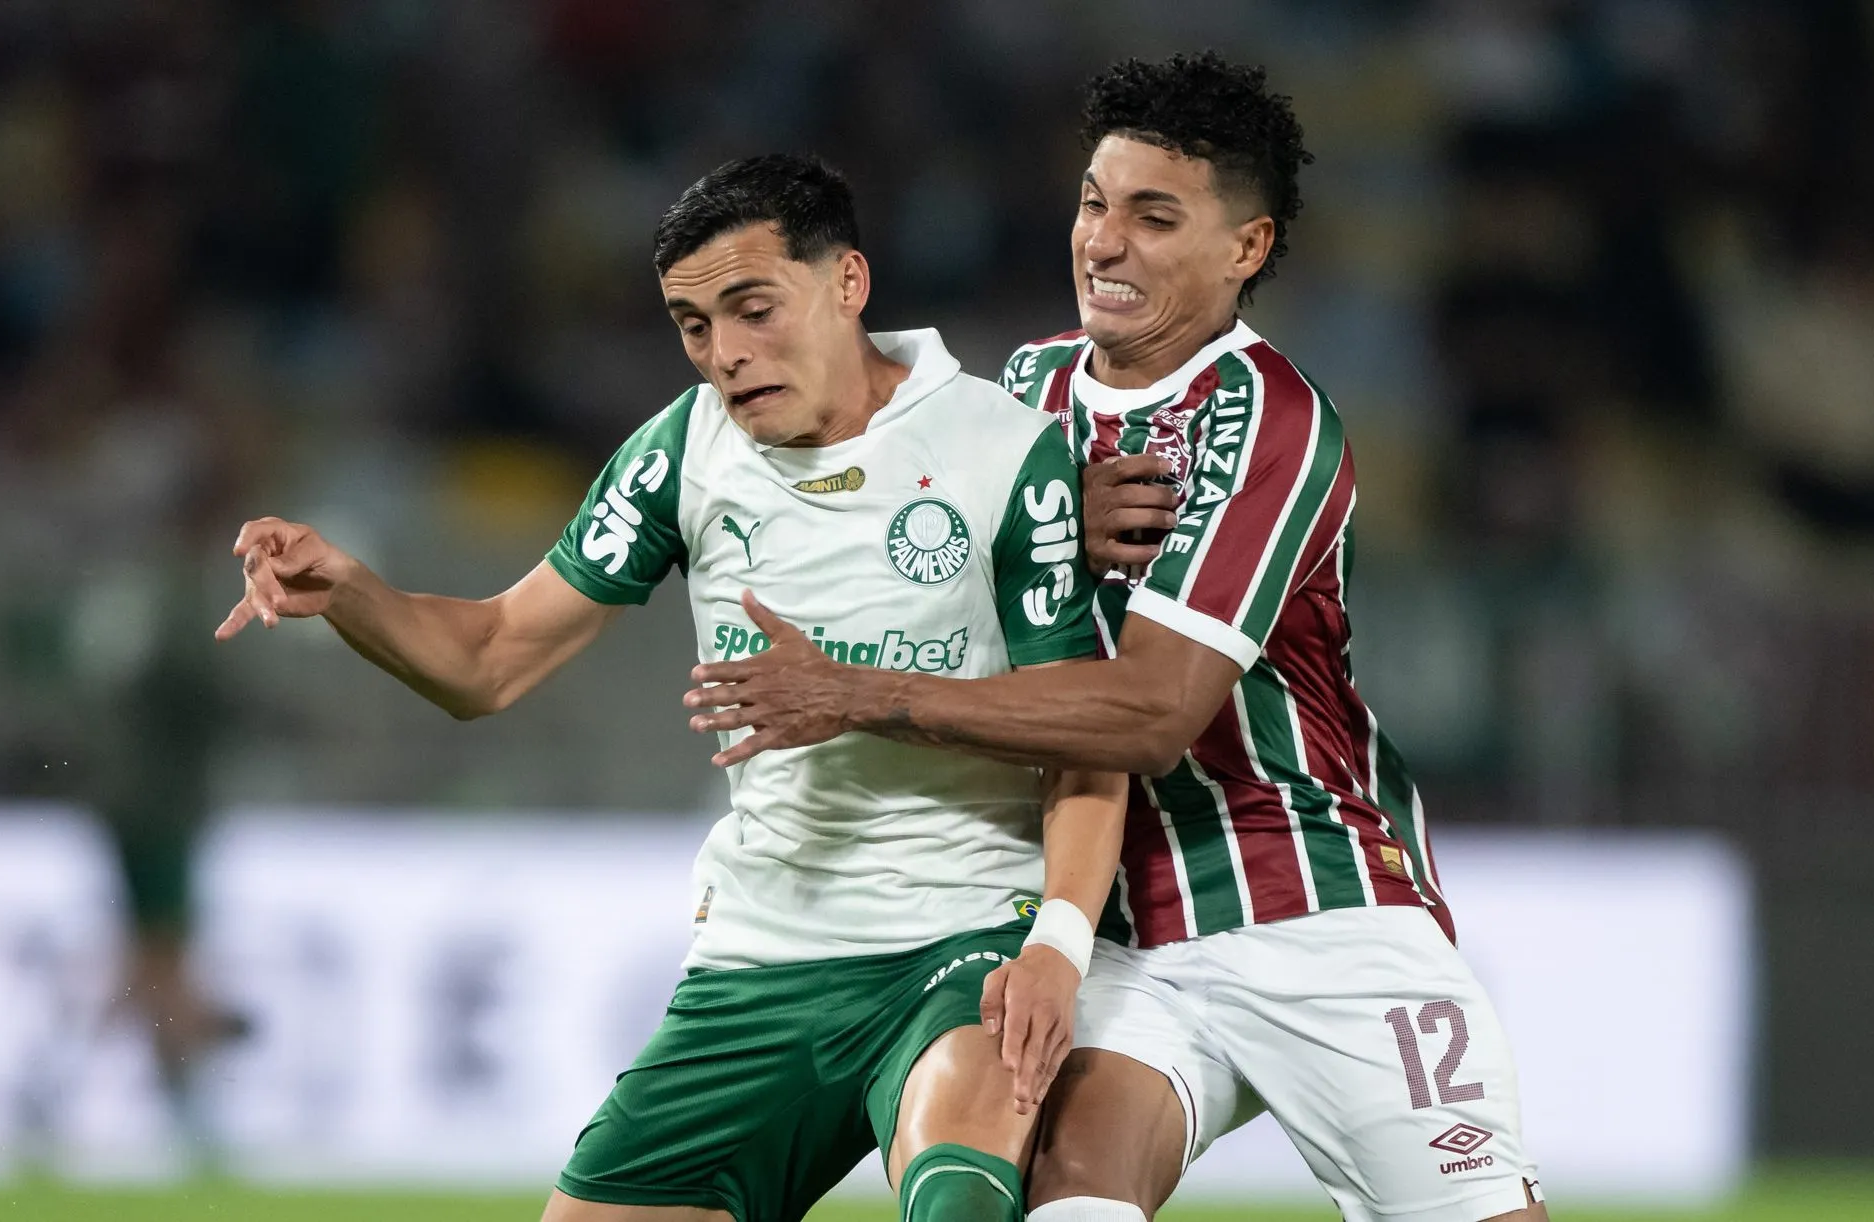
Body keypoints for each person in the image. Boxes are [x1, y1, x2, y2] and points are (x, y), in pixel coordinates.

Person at [682, 57, 1546, 1222]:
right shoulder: (1024, 394)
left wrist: (856, 693)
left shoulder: (1268, 418)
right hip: (1115, 930)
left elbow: (1149, 714)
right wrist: (1036, 536)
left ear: (1245, 248)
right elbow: (928, 590)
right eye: (1095, 202)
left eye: (1155, 216)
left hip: (1316, 910)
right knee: (1067, 1204)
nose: (1106, 242)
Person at [215, 154, 1126, 1222]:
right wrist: (356, 593)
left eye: (752, 309)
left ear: (848, 282)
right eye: (694, 327)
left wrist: (1059, 946)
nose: (726, 356)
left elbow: (1086, 731)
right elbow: (492, 656)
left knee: (957, 1204)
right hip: (762, 955)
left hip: (964, 936)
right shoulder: (682, 453)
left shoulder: (1000, 452)